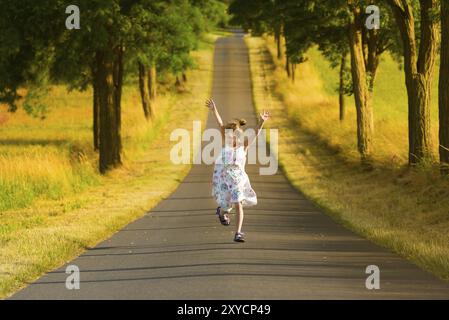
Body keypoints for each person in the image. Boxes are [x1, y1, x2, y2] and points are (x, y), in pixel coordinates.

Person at [205, 98, 270, 242]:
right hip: (224, 179)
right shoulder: (226, 144)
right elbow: (220, 124)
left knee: (239, 203)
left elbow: (256, 132)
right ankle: (222, 213)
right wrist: (214, 110)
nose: (232, 138)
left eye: (234, 136)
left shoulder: (244, 147)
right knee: (226, 207)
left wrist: (262, 121)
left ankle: (238, 232)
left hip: (238, 180)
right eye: (230, 136)